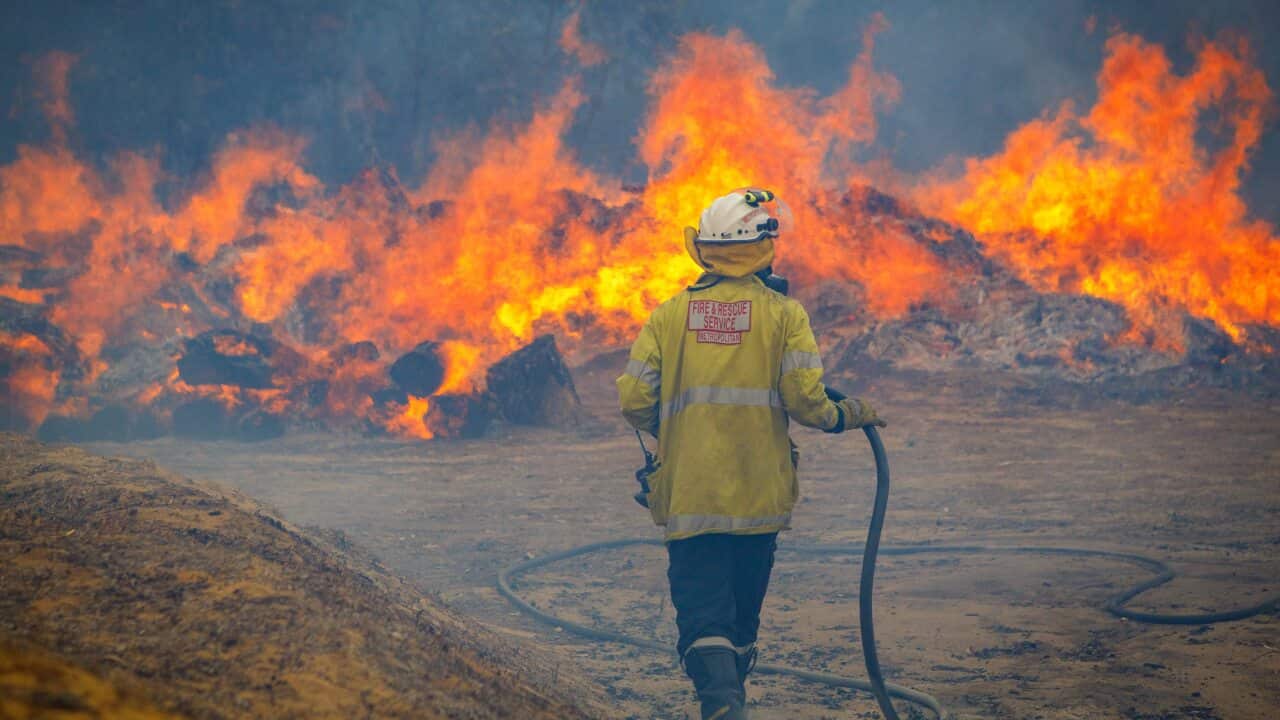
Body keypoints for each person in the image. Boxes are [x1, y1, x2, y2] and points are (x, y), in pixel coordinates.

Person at [617, 189, 885, 719]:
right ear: (765, 248)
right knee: (740, 618)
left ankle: (721, 704)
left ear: (706, 250)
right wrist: (849, 415)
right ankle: (729, 699)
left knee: (703, 614)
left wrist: (668, 438)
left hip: (691, 497)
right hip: (758, 498)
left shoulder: (669, 316)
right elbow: (808, 402)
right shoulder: (785, 314)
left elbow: (634, 399)